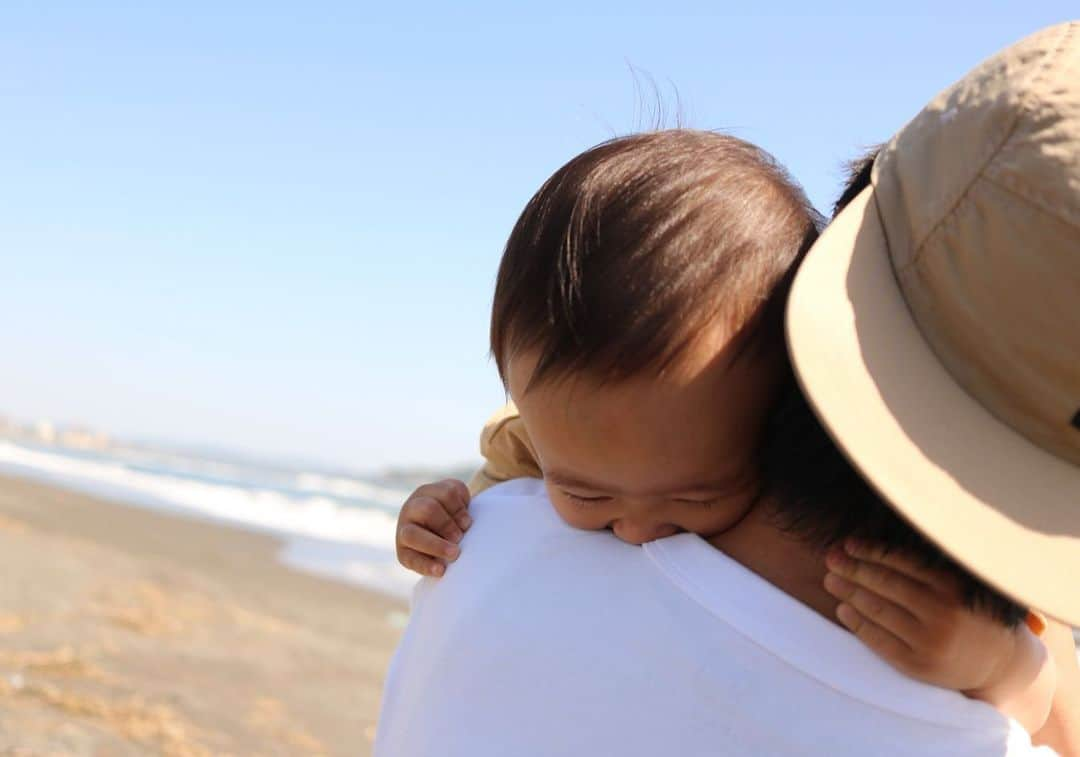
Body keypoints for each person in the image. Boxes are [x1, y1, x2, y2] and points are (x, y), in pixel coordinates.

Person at [376, 22, 1080, 757]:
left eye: (695, 497)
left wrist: (1008, 665)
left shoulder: (496, 551)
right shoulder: (961, 720)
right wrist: (1017, 671)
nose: (637, 529)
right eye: (583, 494)